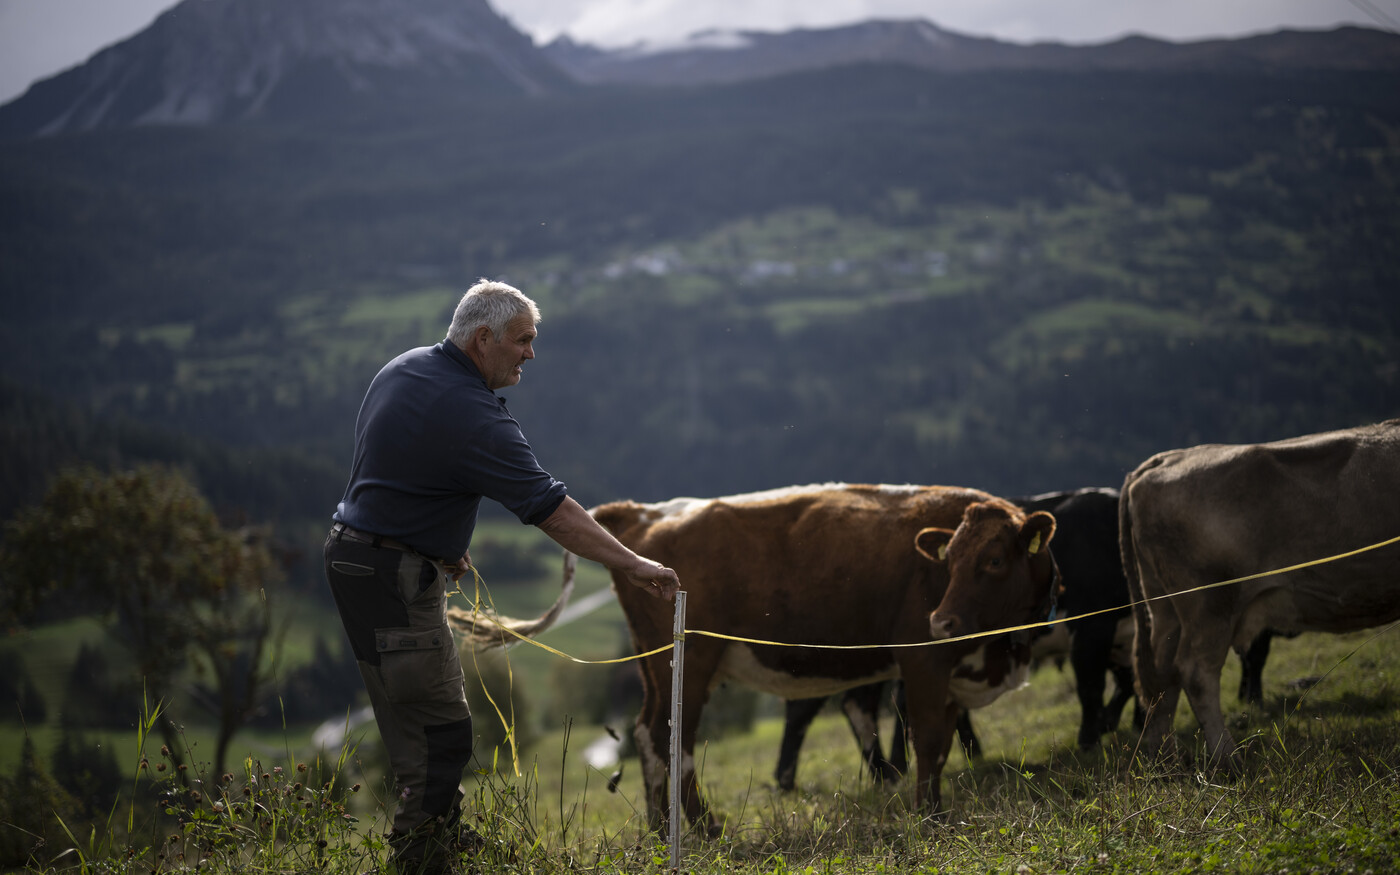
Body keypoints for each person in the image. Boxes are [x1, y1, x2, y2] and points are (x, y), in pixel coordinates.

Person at [323, 278, 680, 875]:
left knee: (410, 720)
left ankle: (440, 838)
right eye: (522, 340)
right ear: (483, 338)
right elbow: (552, 509)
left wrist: (436, 543)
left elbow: (394, 464)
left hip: (354, 557)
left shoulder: (406, 368)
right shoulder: (473, 414)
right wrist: (633, 563)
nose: (530, 353)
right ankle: (421, 859)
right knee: (440, 734)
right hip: (394, 578)